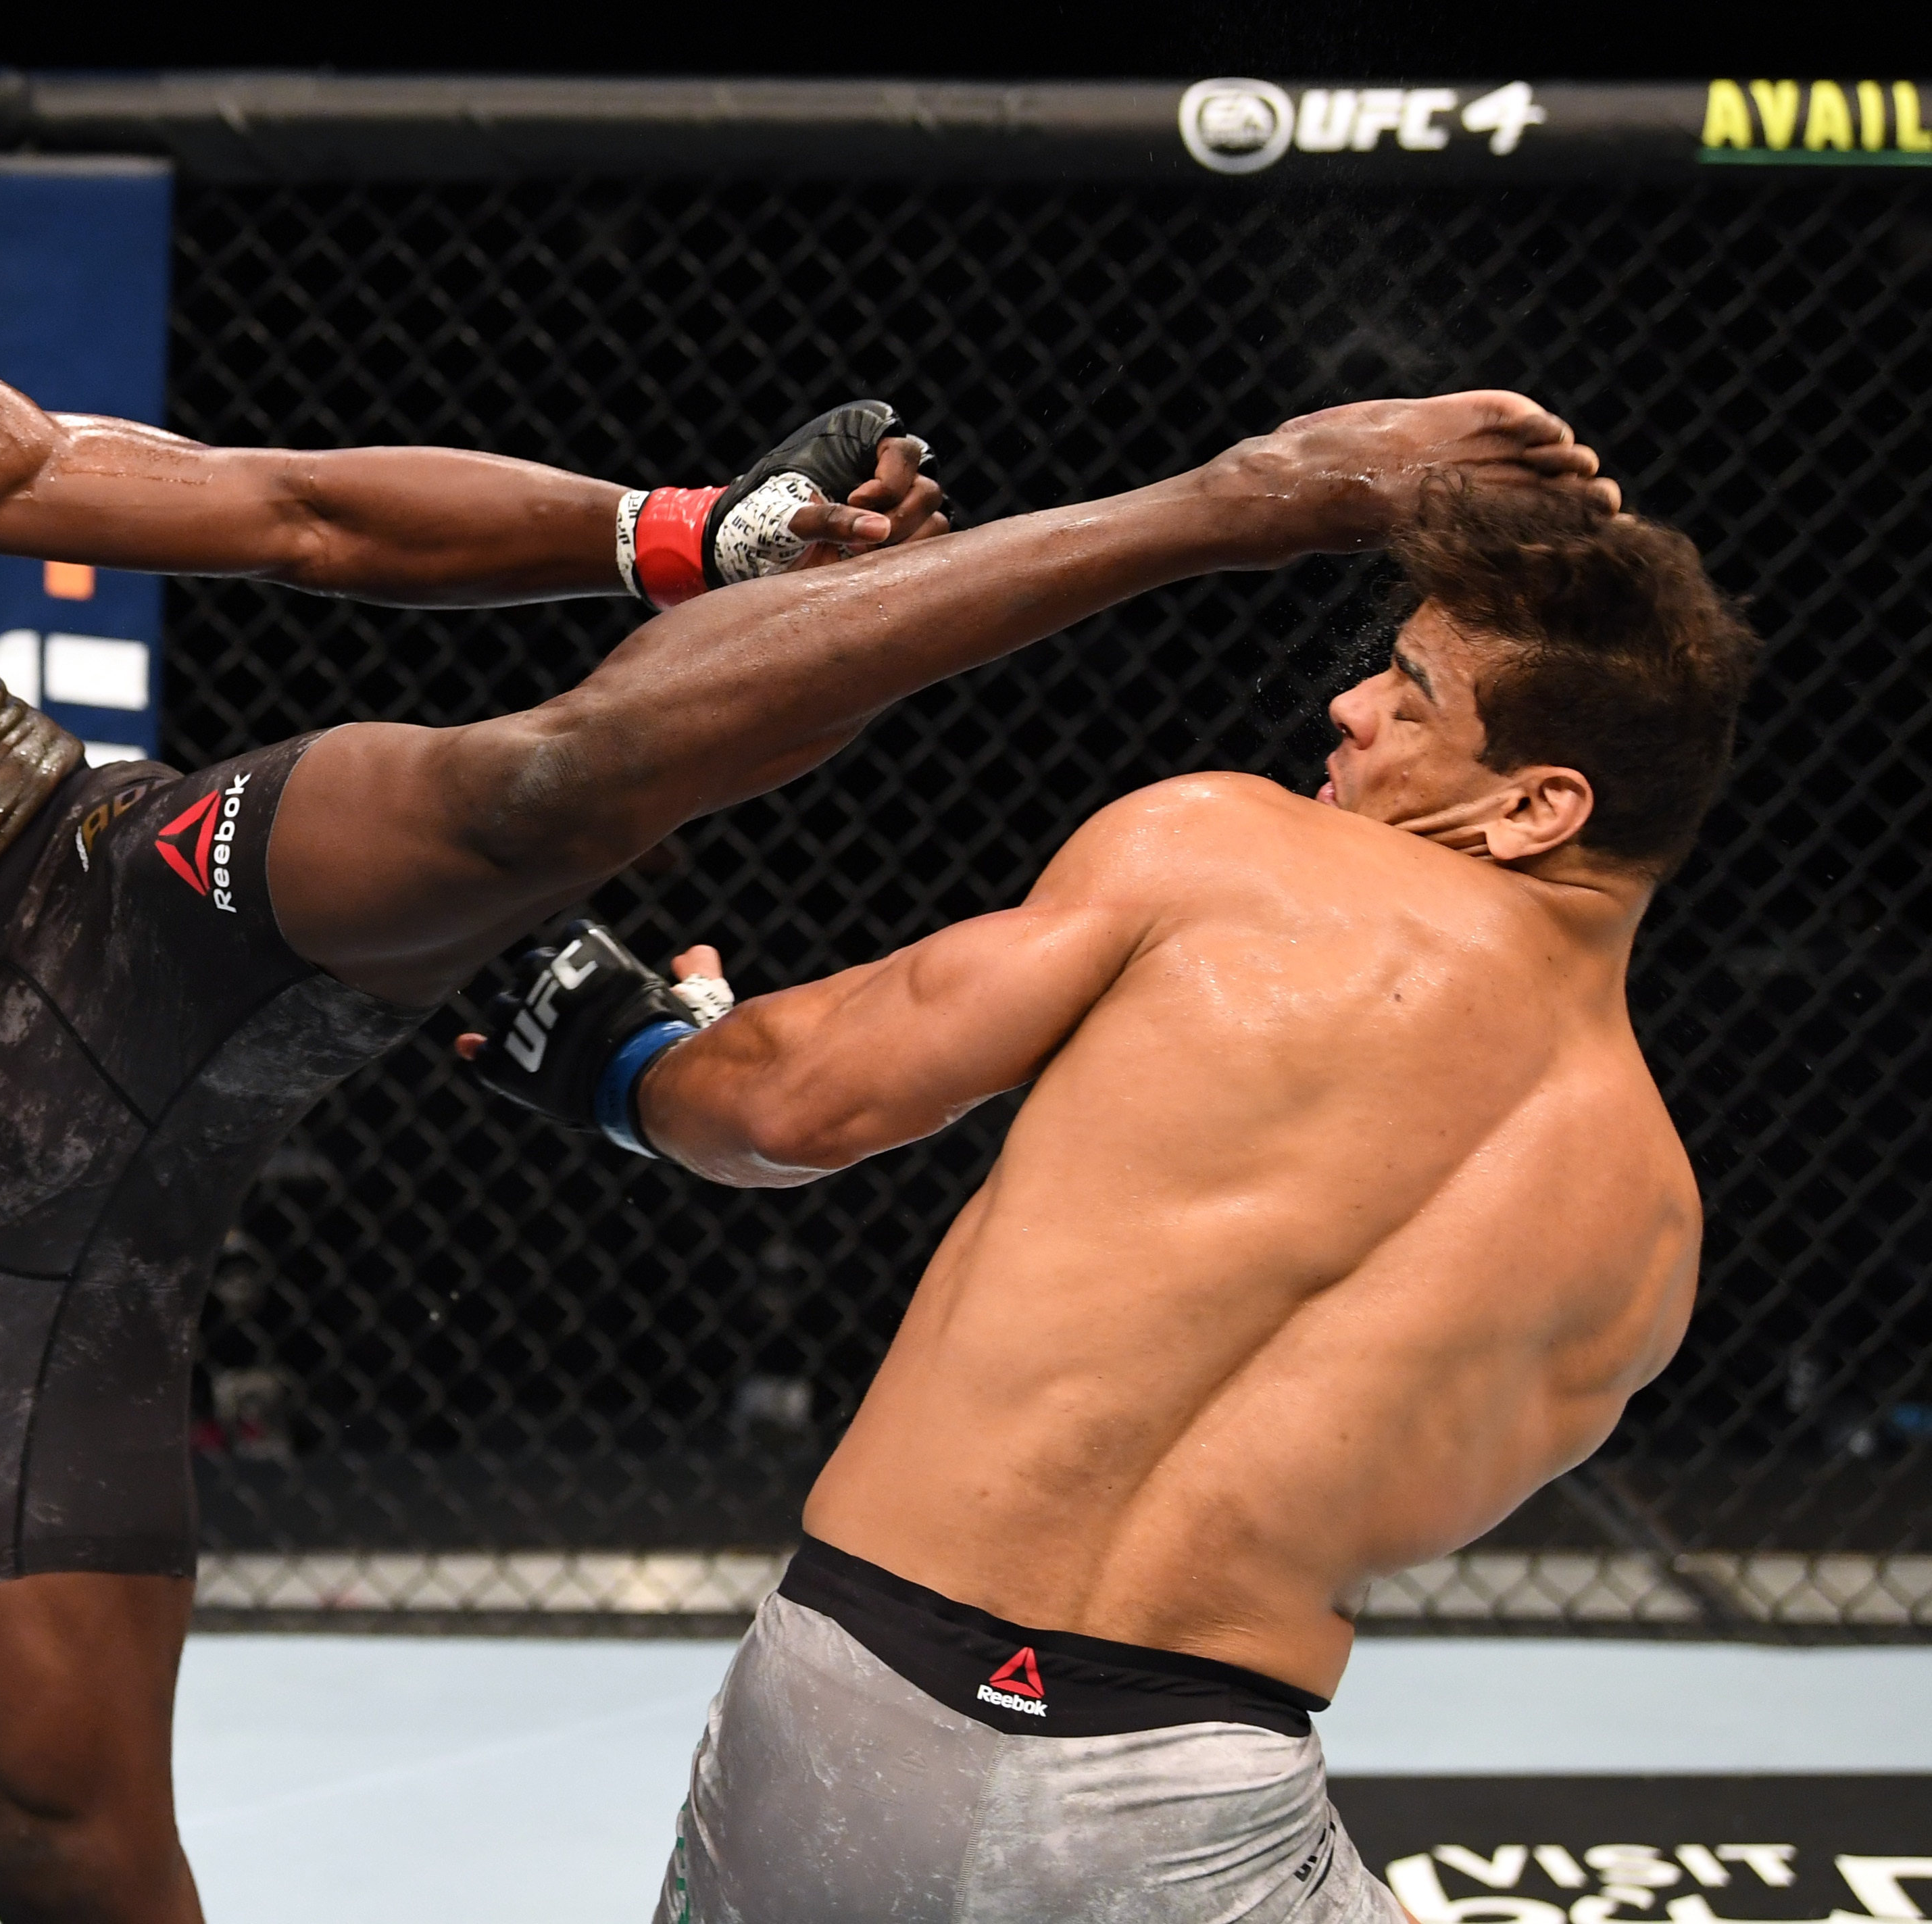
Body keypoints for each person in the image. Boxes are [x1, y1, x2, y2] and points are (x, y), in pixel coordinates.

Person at [0, 52, 1610, 1924]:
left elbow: (291, 510)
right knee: (54, 1830)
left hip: (114, 889)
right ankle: (591, 1025)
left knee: (525, 791)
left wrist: (682, 532)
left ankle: (1235, 495)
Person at [461, 483, 1755, 1924]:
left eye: (1411, 694)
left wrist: (634, 1055)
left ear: (1536, 806)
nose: (1346, 706)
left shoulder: (1226, 848)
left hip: (842, 1720)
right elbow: (1374, 1502)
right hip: (1192, 1802)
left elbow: (785, 1109)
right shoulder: (1653, 1235)